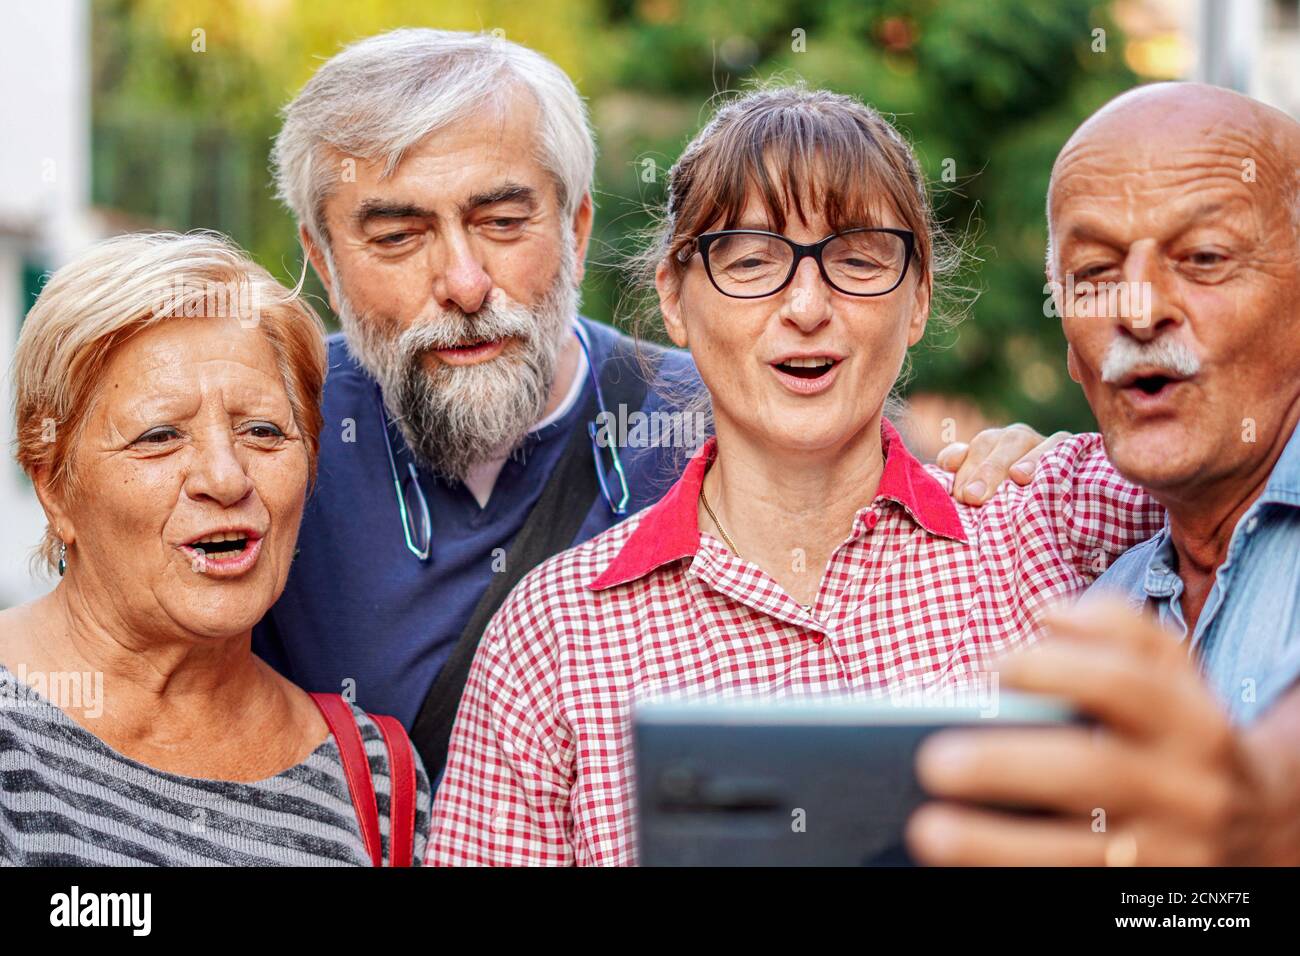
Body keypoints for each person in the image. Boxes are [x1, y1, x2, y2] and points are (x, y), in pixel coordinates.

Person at [256, 28, 1048, 780]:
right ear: (322, 259)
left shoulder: (744, 411)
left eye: (502, 222)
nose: (463, 282)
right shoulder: (261, 448)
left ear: (577, 226)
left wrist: (1018, 475)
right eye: (397, 237)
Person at [429, 85, 1165, 866]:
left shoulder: (1051, 516)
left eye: (857, 259)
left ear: (917, 300)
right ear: (676, 300)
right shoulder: (553, 637)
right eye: (751, 261)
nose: (807, 305)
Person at [907, 83, 1300, 866]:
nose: (1141, 307)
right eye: (1094, 272)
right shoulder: (1107, 594)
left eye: (1206, 258)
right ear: (1069, 352)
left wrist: (1257, 818)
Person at [0, 232, 429, 866]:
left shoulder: (374, 776)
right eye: (159, 437)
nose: (225, 479)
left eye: (263, 430)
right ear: (55, 489)